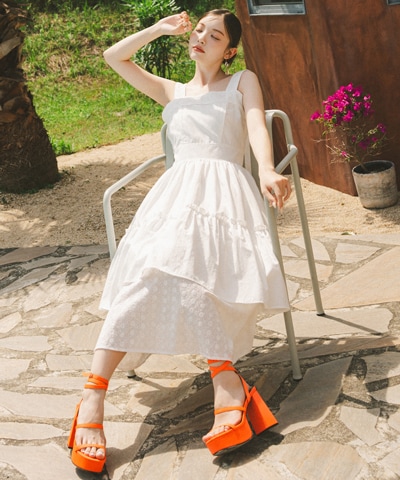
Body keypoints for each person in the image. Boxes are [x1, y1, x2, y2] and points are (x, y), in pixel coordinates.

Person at [67, 9, 291, 473]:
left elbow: (255, 126)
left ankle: (225, 382)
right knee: (144, 278)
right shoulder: (172, 90)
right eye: (199, 30)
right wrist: (157, 29)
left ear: (229, 51)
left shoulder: (242, 80)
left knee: (197, 279)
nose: (201, 38)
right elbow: (113, 57)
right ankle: (94, 394)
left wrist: (268, 170)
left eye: (215, 36)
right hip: (174, 197)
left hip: (223, 196)